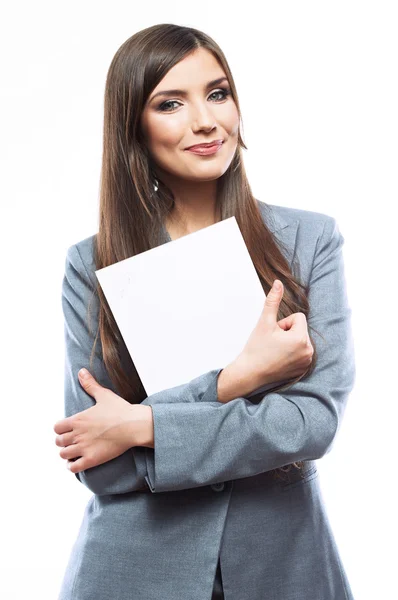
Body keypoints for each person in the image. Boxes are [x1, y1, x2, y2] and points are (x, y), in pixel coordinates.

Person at [54, 23, 356, 600]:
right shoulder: (89, 264)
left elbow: (311, 424)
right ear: (133, 127)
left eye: (218, 93)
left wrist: (142, 425)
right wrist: (234, 383)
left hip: (284, 567)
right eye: (171, 103)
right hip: (133, 575)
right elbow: (103, 466)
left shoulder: (309, 240)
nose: (205, 121)